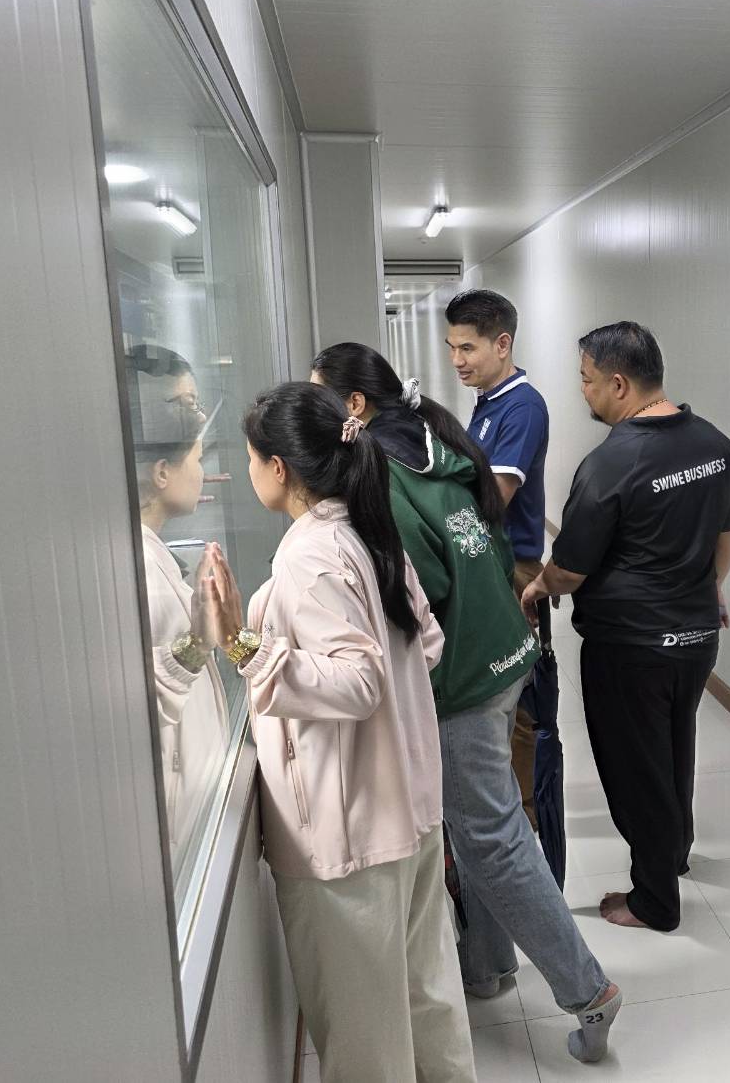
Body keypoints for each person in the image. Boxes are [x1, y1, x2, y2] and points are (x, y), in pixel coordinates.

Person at [311, 342, 621, 1064]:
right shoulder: (432, 445)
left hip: (464, 679)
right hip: (503, 650)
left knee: (491, 836)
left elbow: (417, 598)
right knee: (479, 826)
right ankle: (487, 965)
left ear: (354, 405)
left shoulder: (381, 474)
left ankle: (589, 991)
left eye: (320, 395)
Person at [199, 381, 474, 1083]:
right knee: (426, 1003)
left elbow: (358, 681)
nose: (248, 471)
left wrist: (243, 647)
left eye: (250, 458)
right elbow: (425, 643)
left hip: (349, 837)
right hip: (407, 810)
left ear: (278, 467)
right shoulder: (366, 530)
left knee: (363, 1039)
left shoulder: (310, 554)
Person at [521, 322, 730, 934]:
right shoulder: (717, 447)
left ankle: (655, 900)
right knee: (673, 748)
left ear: (619, 384)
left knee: (634, 771)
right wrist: (710, 588)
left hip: (630, 645)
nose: (584, 392)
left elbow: (571, 569)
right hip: (695, 637)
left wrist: (538, 586)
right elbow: (725, 541)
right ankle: (675, 853)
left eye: (587, 381)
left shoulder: (610, 463)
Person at [446, 289, 551, 830]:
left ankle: (525, 822)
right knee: (500, 692)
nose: (457, 360)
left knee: (518, 698)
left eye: (467, 348)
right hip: (491, 562)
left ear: (502, 343)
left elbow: (495, 498)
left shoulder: (522, 406)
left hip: (515, 570)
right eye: (452, 347)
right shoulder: (488, 401)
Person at [124, 346, 229, 879]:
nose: (204, 470)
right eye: (197, 458)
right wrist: (200, 642)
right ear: (161, 471)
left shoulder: (150, 554)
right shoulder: (138, 572)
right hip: (180, 842)